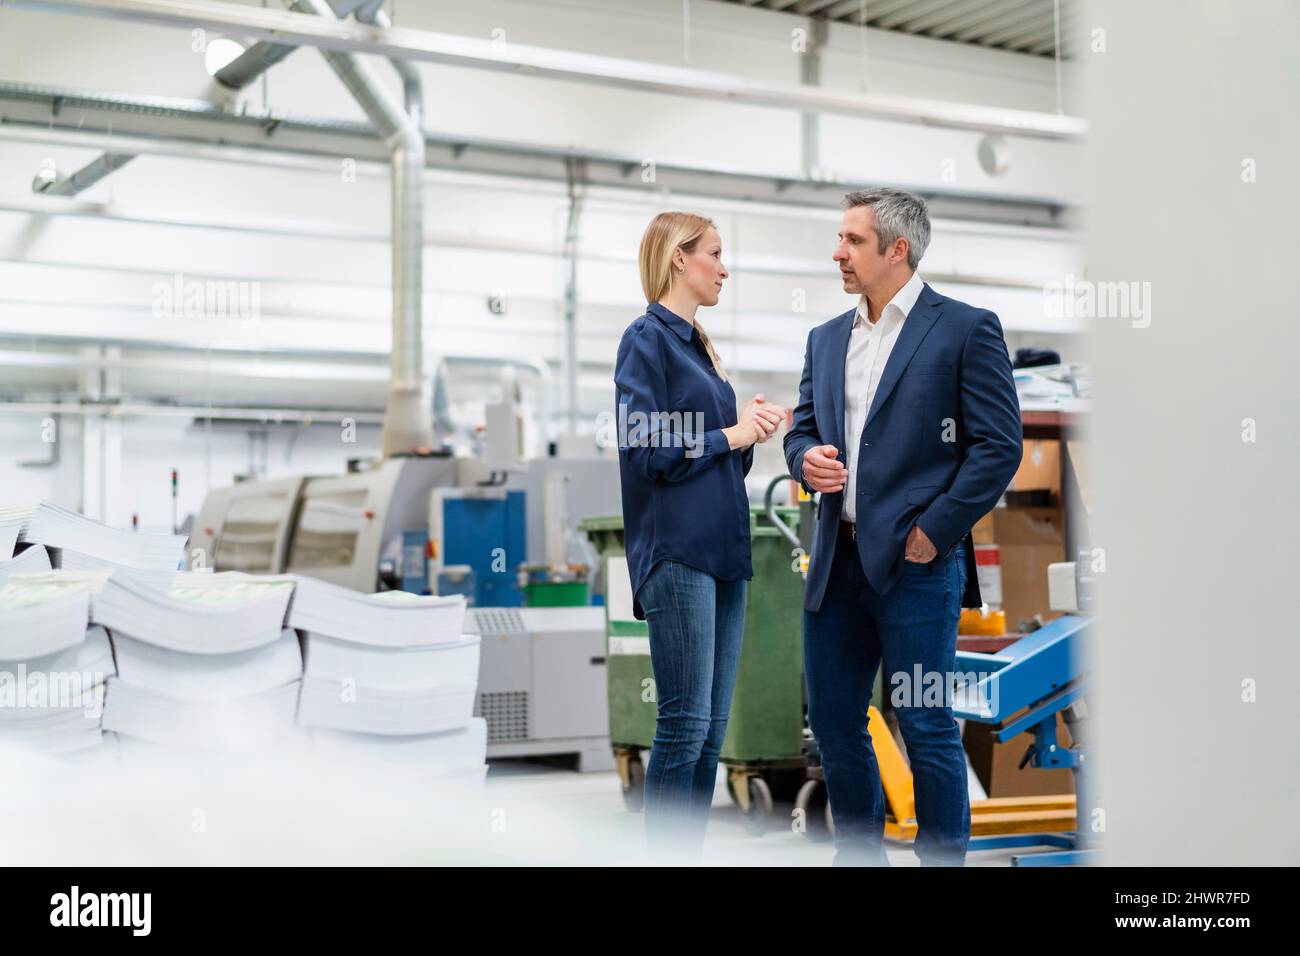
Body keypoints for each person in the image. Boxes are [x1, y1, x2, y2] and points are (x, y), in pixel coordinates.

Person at [783, 188, 1022, 866]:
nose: (838, 252)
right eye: (839, 239)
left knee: (925, 724)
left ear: (897, 249)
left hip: (918, 567)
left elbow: (998, 447)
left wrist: (935, 531)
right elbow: (801, 426)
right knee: (833, 724)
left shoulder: (965, 328)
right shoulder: (826, 338)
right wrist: (806, 458)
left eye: (852, 241)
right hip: (837, 562)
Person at [615, 211, 786, 856]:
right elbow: (646, 445)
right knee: (683, 725)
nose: (724, 266)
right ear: (679, 259)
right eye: (715, 253)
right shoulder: (646, 340)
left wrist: (747, 431)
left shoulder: (699, 347)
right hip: (677, 554)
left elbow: (712, 456)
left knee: (712, 732)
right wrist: (728, 435)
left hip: (723, 556)